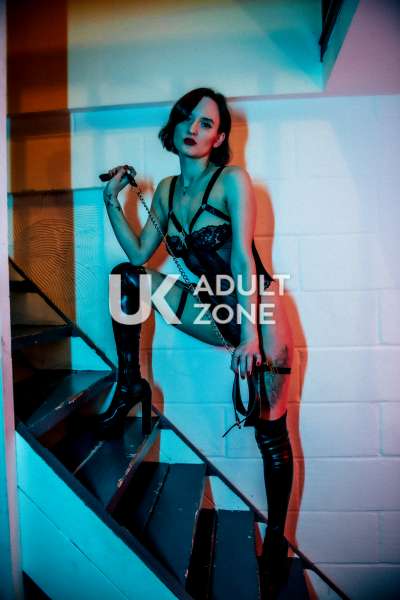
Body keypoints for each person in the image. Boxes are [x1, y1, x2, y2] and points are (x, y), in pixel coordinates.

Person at [99, 87, 294, 586]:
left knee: (270, 433)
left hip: (258, 311)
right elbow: (141, 255)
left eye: (206, 123)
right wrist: (111, 201)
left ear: (219, 137)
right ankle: (131, 383)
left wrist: (249, 336)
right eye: (187, 118)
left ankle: (276, 538)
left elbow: (242, 258)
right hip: (210, 308)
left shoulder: (232, 181)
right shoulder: (166, 190)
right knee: (127, 278)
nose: (193, 128)